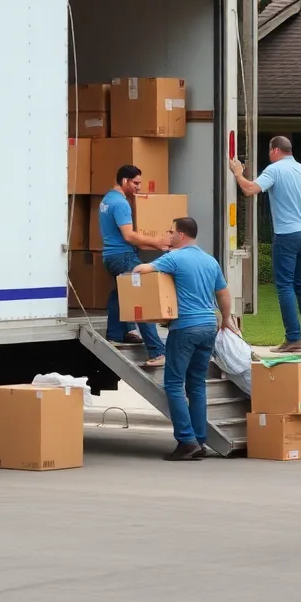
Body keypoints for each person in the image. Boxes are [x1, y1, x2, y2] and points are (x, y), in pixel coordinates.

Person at [134, 216, 232, 461]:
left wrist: (134, 275)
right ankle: (200, 441)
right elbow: (223, 293)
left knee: (174, 384)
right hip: (209, 324)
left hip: (185, 327)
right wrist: (227, 319)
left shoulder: (175, 257)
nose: (168, 235)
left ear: (181, 235)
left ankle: (186, 441)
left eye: (171, 231)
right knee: (197, 384)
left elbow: (143, 269)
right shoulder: (210, 261)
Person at [230, 136, 301, 354]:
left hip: (287, 235)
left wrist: (238, 173)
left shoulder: (274, 170)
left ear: (275, 150)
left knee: (285, 286)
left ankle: (294, 339)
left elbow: (250, 190)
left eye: (269, 151)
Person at [101, 164, 169, 367]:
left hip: (111, 257)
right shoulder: (121, 204)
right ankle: (157, 351)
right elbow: (128, 235)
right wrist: (157, 242)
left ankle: (114, 335)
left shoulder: (106, 200)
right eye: (136, 183)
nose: (139, 187)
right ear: (125, 181)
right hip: (124, 257)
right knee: (143, 298)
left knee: (119, 294)